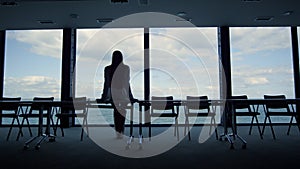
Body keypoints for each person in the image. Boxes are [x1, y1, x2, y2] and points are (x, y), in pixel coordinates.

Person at [100, 50, 137, 139]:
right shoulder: (125, 68)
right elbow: (126, 84)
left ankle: (118, 131)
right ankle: (121, 131)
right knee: (122, 111)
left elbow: (106, 84)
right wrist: (131, 97)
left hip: (112, 94)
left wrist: (104, 97)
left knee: (116, 111)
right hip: (123, 94)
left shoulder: (108, 69)